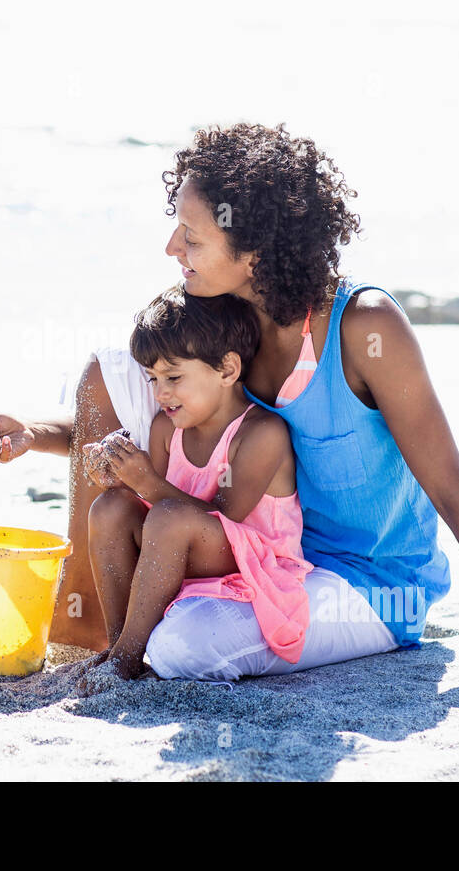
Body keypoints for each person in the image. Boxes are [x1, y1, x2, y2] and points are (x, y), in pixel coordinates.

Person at [0, 124, 459, 680]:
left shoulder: (365, 329)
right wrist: (30, 432)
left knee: (180, 646)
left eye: (193, 237)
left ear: (255, 254)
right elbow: (162, 410)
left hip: (356, 582)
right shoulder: (220, 313)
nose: (172, 248)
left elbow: (452, 486)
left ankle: (137, 640)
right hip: (245, 542)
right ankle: (89, 622)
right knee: (107, 369)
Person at [83, 286, 310, 680]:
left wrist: (148, 483)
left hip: (254, 556)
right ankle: (121, 644)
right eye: (152, 378)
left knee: (170, 517)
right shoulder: (165, 429)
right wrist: (119, 475)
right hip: (186, 543)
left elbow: (226, 514)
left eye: (173, 376)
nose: (161, 393)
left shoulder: (260, 433)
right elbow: (151, 506)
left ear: (226, 370)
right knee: (110, 508)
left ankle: (128, 656)